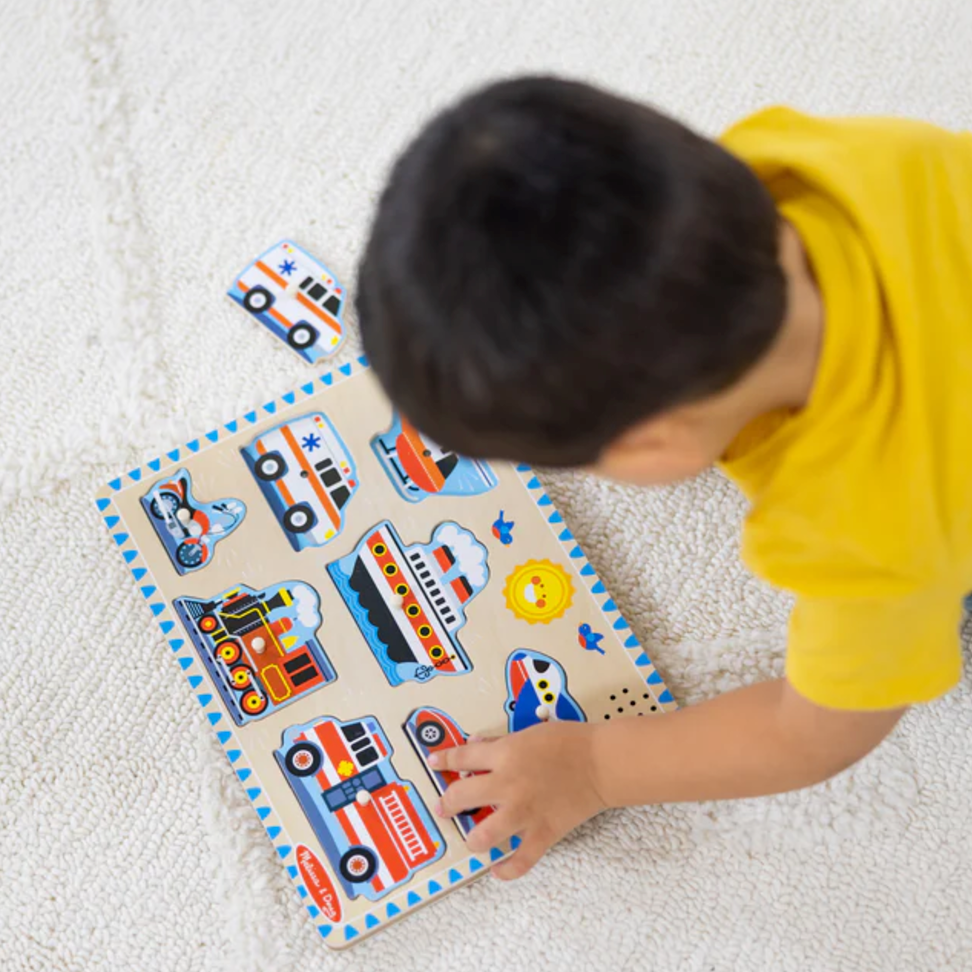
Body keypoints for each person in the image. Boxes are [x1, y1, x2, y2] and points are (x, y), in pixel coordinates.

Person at [355, 75, 972, 880]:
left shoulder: (863, 531)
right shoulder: (816, 156)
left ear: (656, 449)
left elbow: (815, 733)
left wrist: (594, 767)